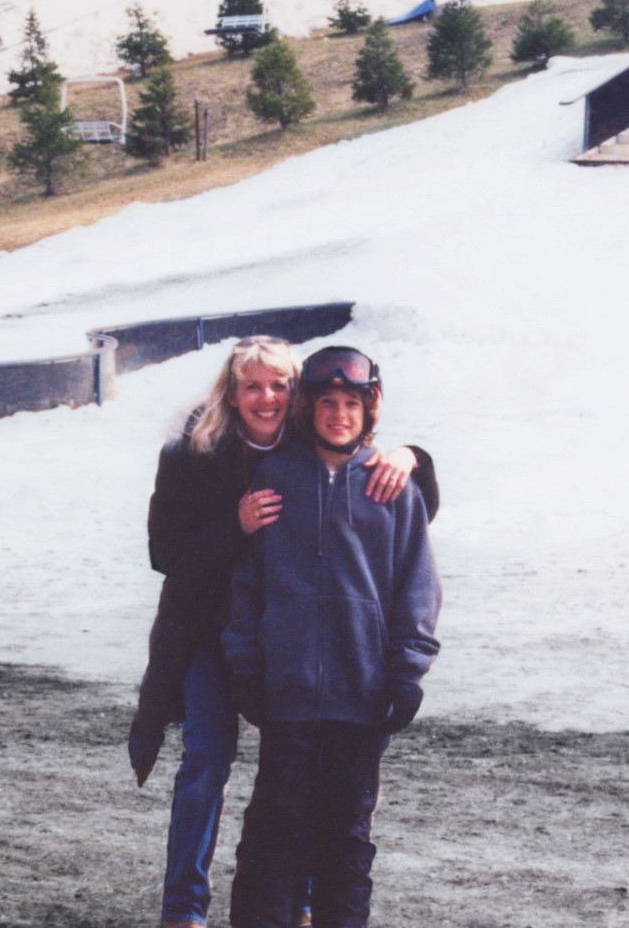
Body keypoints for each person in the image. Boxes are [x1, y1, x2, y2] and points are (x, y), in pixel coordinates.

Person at [130, 336, 438, 928]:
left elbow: (403, 524)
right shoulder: (199, 452)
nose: (267, 397)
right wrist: (236, 526)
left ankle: (302, 908)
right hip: (217, 636)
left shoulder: (322, 448)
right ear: (233, 391)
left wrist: (412, 456)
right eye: (253, 385)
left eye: (279, 385)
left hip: (324, 659)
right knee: (210, 764)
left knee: (325, 808)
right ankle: (184, 909)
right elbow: (166, 550)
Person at [224, 346, 441, 928]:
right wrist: (246, 665)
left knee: (346, 838)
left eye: (352, 403)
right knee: (274, 833)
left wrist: (406, 673)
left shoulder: (391, 486)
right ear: (307, 409)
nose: (338, 414)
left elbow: (417, 587)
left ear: (369, 412)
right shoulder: (276, 477)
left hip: (362, 694)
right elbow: (248, 582)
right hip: (288, 692)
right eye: (326, 402)